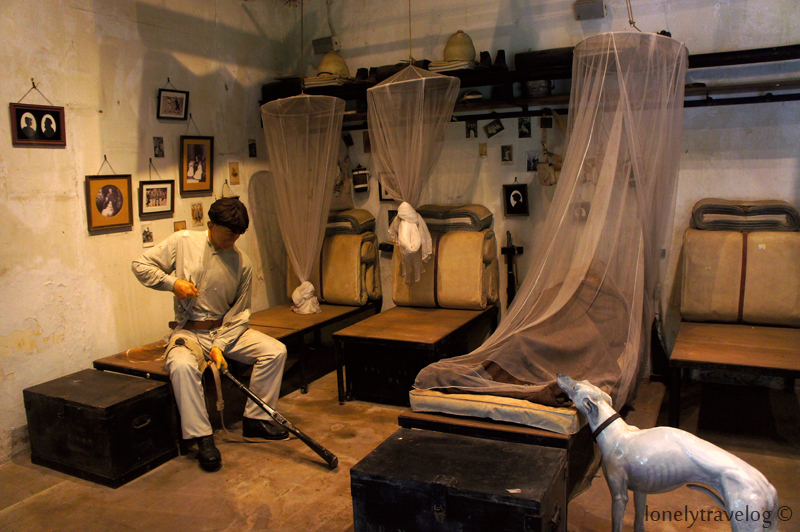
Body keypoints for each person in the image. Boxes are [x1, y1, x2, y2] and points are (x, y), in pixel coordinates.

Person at [132, 197, 288, 472]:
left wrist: (221, 344)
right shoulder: (183, 241)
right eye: (228, 234)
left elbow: (241, 313)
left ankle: (256, 419)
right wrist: (172, 283)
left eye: (238, 235)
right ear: (210, 224)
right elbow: (140, 265)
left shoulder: (242, 262)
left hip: (225, 331)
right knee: (181, 366)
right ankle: (202, 436)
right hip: (190, 331)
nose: (233, 240)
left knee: (275, 351)